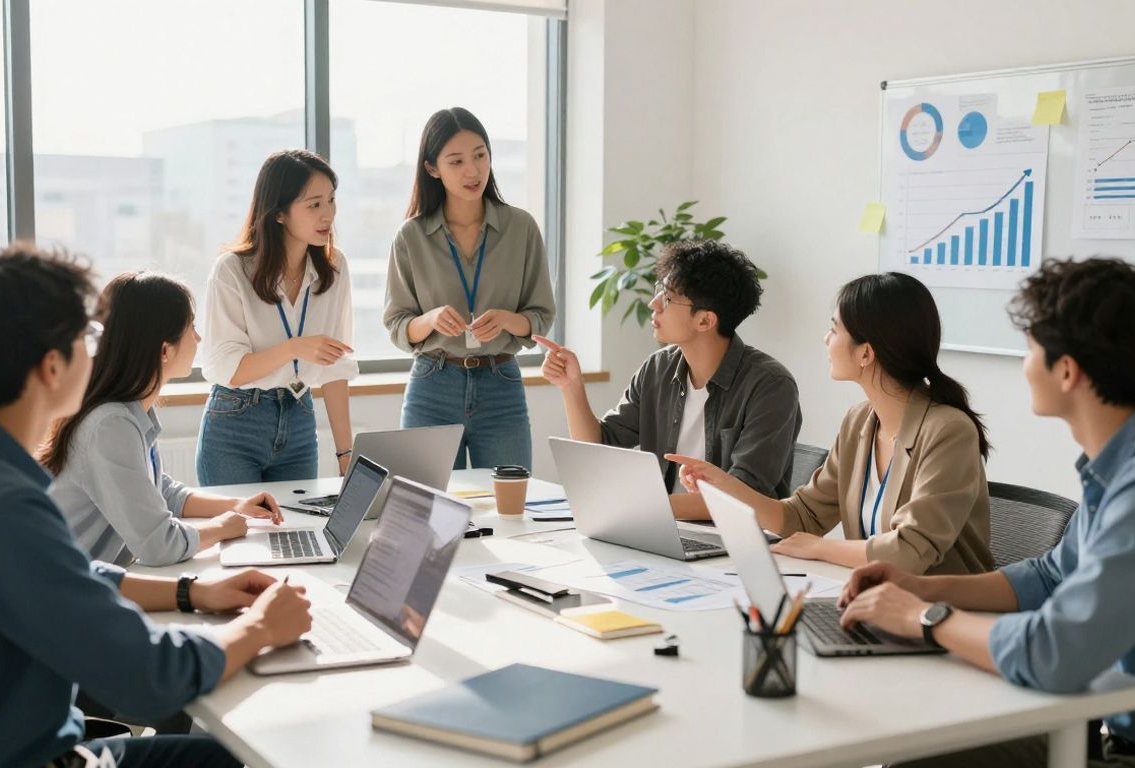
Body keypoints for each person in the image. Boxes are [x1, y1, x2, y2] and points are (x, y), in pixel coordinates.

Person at [0, 244, 314, 768]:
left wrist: (194, 592)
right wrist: (261, 627)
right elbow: (150, 678)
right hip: (22, 756)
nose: (97, 351)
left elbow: (69, 572)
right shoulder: (1, 507)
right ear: (52, 366)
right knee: (229, 757)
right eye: (86, 338)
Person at [840, 258, 1135, 767]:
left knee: (924, 756)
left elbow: (1055, 651)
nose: (1023, 363)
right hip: (1127, 740)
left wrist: (925, 618)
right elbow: (1048, 576)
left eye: (1031, 347)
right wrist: (923, 587)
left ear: (1066, 371)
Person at [672, 272, 993, 575]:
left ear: (865, 353)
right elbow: (802, 516)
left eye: (835, 329)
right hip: (876, 599)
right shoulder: (860, 421)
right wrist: (726, 488)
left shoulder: (948, 431)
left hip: (942, 611)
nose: (826, 338)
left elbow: (910, 550)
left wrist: (820, 549)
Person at [536, 239, 800, 520]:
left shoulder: (770, 385)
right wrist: (571, 387)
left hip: (735, 541)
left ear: (704, 321)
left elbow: (743, 498)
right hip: (665, 528)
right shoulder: (658, 368)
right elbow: (599, 447)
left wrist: (640, 508)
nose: (653, 303)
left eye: (668, 297)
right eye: (658, 290)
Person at [44, 272, 284, 568]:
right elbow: (159, 546)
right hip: (62, 594)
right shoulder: (110, 426)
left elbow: (160, 493)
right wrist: (225, 527)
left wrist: (237, 507)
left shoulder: (128, 411)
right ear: (164, 350)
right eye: (191, 328)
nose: (198, 338)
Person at [383, 107, 555, 470]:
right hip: (433, 384)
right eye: (456, 161)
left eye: (480, 155)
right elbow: (398, 325)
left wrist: (510, 320)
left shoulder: (520, 227)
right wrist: (428, 320)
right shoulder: (411, 236)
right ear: (433, 168)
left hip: (501, 383)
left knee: (509, 508)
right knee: (423, 509)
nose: (472, 170)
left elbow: (541, 316)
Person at [198, 149, 357, 485]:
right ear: (280, 213)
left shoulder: (335, 267)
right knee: (240, 534)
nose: (327, 214)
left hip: (299, 416)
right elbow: (231, 370)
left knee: (298, 532)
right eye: (314, 205)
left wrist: (346, 454)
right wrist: (295, 347)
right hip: (237, 419)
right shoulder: (232, 270)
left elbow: (336, 367)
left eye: (331, 200)